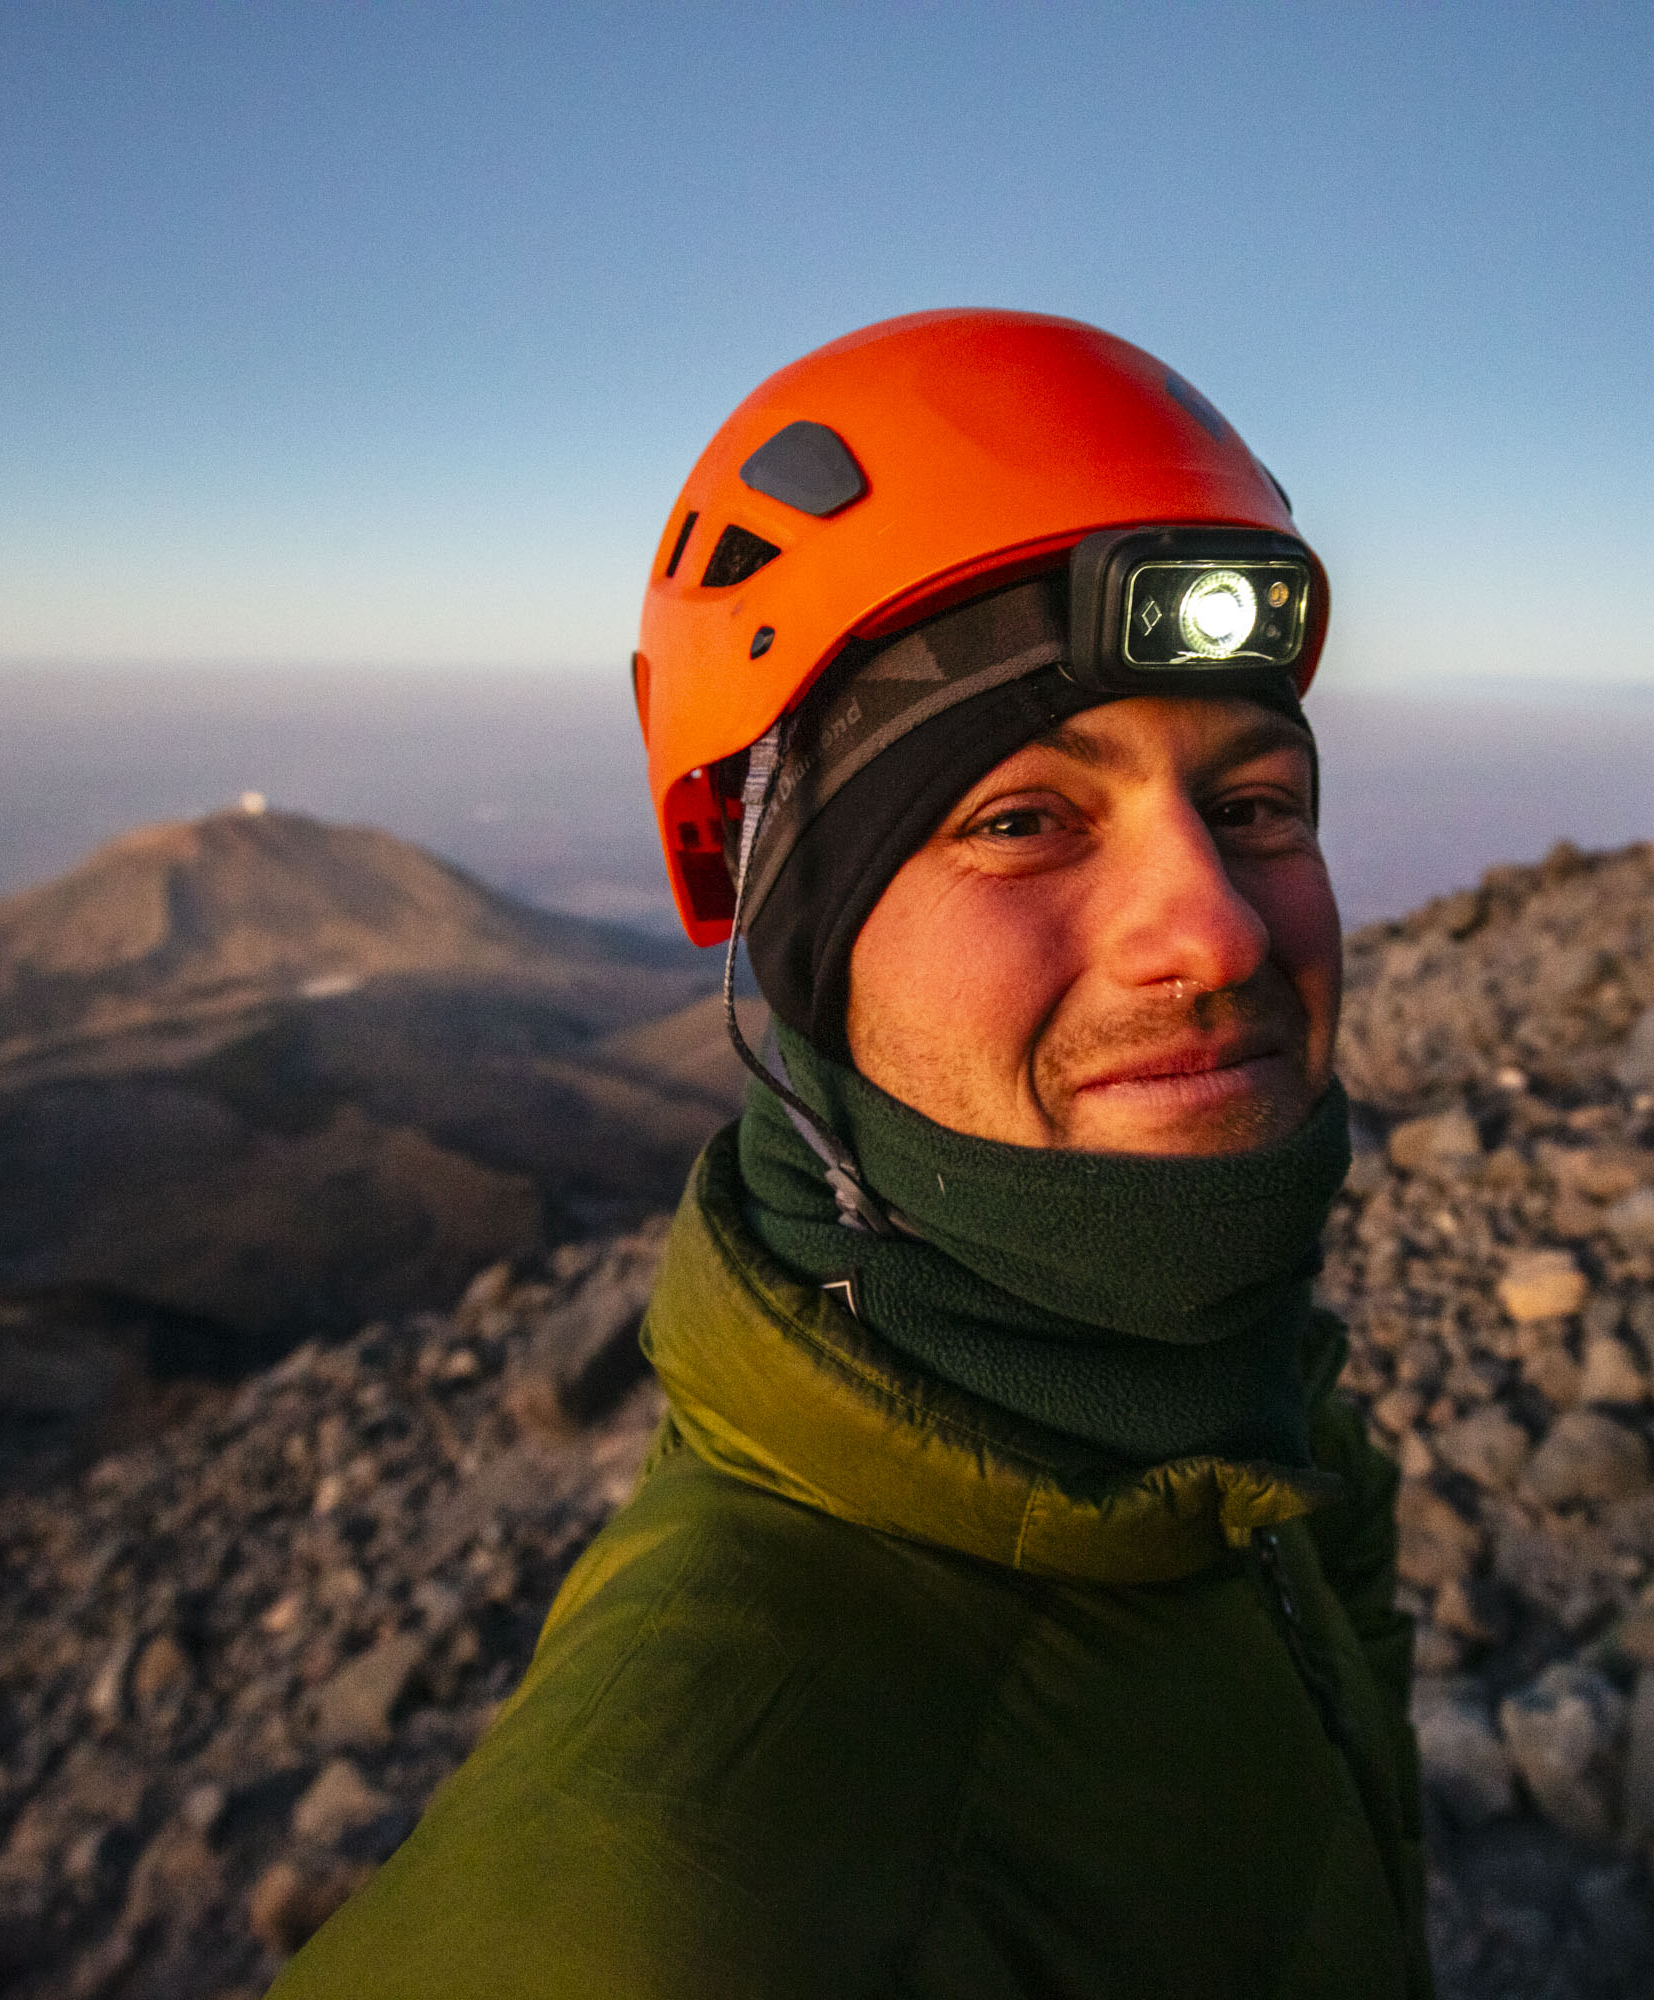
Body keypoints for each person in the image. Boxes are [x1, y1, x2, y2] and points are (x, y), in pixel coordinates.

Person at [273, 309, 1431, 1999]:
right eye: (1022, 822)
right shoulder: (648, 1912)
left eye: (1257, 807)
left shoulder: (1258, 1430)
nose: (1218, 931)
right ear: (805, 945)